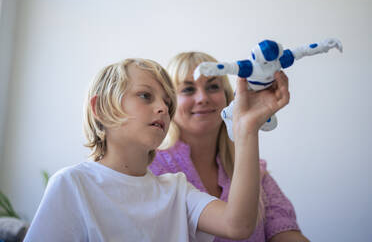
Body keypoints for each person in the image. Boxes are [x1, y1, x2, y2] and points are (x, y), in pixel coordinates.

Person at [24, 57, 290, 242]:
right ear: (101, 108)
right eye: (145, 96)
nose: (163, 108)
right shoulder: (73, 184)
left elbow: (239, 225)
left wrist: (247, 128)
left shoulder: (177, 189)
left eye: (167, 101)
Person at [150, 52, 310, 242]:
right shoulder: (151, 169)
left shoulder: (255, 171)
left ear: (227, 97)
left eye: (212, 87)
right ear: (168, 103)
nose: (202, 98)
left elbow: (285, 232)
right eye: (188, 89)